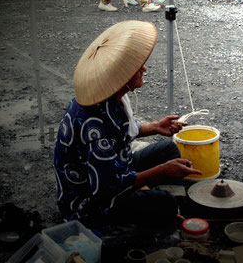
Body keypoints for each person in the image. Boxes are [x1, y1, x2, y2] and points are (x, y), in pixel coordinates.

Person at [54, 20, 200, 228]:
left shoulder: (112, 96)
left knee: (168, 149)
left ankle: (146, 199)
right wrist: (160, 172)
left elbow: (123, 129)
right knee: (166, 203)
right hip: (90, 203)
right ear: (119, 78)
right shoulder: (94, 127)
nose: (144, 68)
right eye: (136, 67)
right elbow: (108, 187)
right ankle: (143, 210)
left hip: (114, 169)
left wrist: (156, 127)